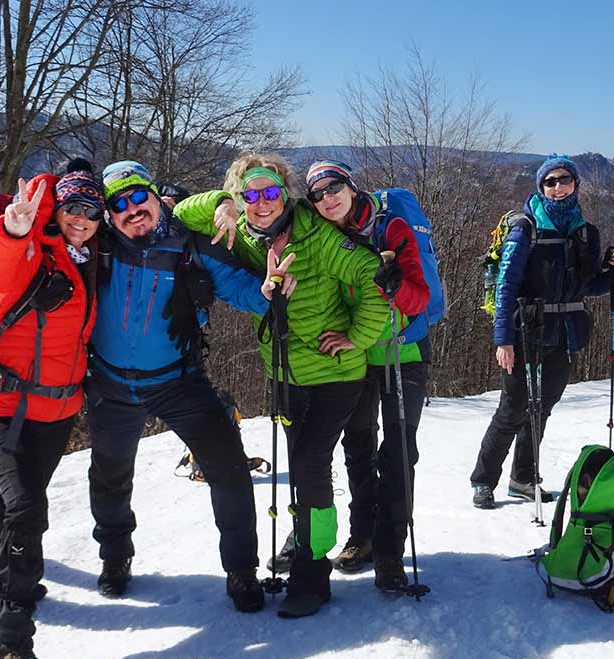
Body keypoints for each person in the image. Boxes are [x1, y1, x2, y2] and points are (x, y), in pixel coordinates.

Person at [174, 152, 390, 618]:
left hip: (335, 375)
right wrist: (222, 206)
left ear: (285, 193)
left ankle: (314, 572)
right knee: (302, 464)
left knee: (311, 464)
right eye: (250, 195)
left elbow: (374, 280)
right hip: (284, 374)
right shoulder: (246, 237)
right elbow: (177, 211)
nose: (262, 202)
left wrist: (357, 338)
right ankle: (308, 540)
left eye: (271, 192)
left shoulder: (318, 235)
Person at [86, 160, 288, 614]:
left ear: (158, 199)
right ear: (108, 212)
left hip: (179, 380)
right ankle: (115, 558)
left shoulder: (189, 244)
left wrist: (269, 291)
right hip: (110, 383)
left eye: (140, 197)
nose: (133, 209)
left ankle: (241, 571)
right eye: (119, 203)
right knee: (110, 476)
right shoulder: (94, 247)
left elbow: (240, 288)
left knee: (230, 471)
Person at [0, 164, 100, 659]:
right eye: (72, 207)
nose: (82, 219)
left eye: (92, 210)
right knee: (25, 507)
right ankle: (9, 643)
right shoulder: (31, 251)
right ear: (56, 209)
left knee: (13, 505)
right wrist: (15, 227)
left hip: (56, 412)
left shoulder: (93, 259)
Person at [469, 154, 614, 509]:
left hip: (565, 333)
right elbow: (506, 286)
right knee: (512, 409)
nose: (557, 187)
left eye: (564, 180)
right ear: (540, 187)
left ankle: (523, 478)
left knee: (542, 409)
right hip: (524, 329)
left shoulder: (586, 232)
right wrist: (502, 339)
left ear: (576, 184)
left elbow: (589, 287)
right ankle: (483, 481)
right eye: (550, 182)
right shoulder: (525, 228)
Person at [302, 160, 432, 591]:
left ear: (351, 186)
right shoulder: (324, 236)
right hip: (355, 358)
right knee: (358, 448)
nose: (327, 198)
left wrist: (392, 284)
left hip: (403, 351)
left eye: (334, 187)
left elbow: (419, 298)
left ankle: (391, 550)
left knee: (397, 452)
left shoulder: (391, 228)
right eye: (317, 195)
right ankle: (362, 537)